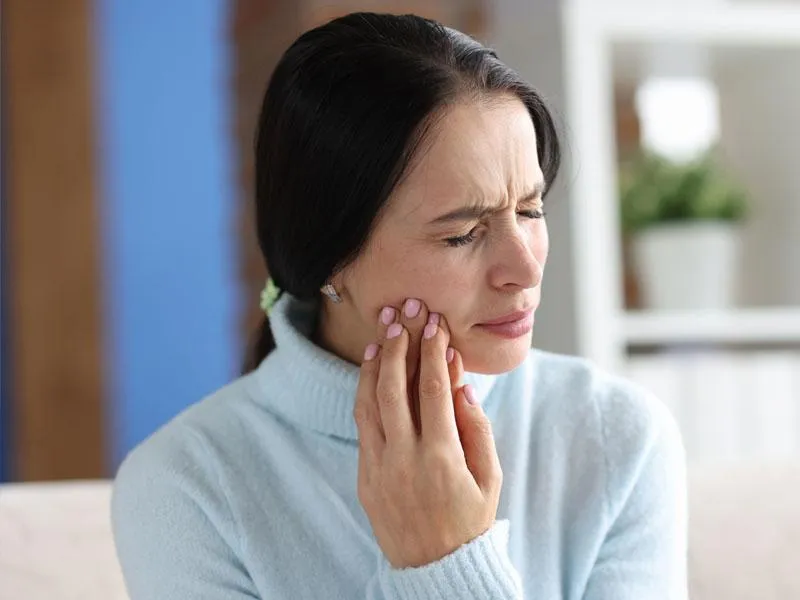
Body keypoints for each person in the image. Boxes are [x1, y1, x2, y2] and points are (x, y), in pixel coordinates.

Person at [111, 12, 687, 599]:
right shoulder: (184, 487)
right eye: (462, 233)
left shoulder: (617, 437)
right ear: (330, 257)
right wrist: (442, 564)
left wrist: (445, 562)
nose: (525, 267)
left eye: (531, 211)